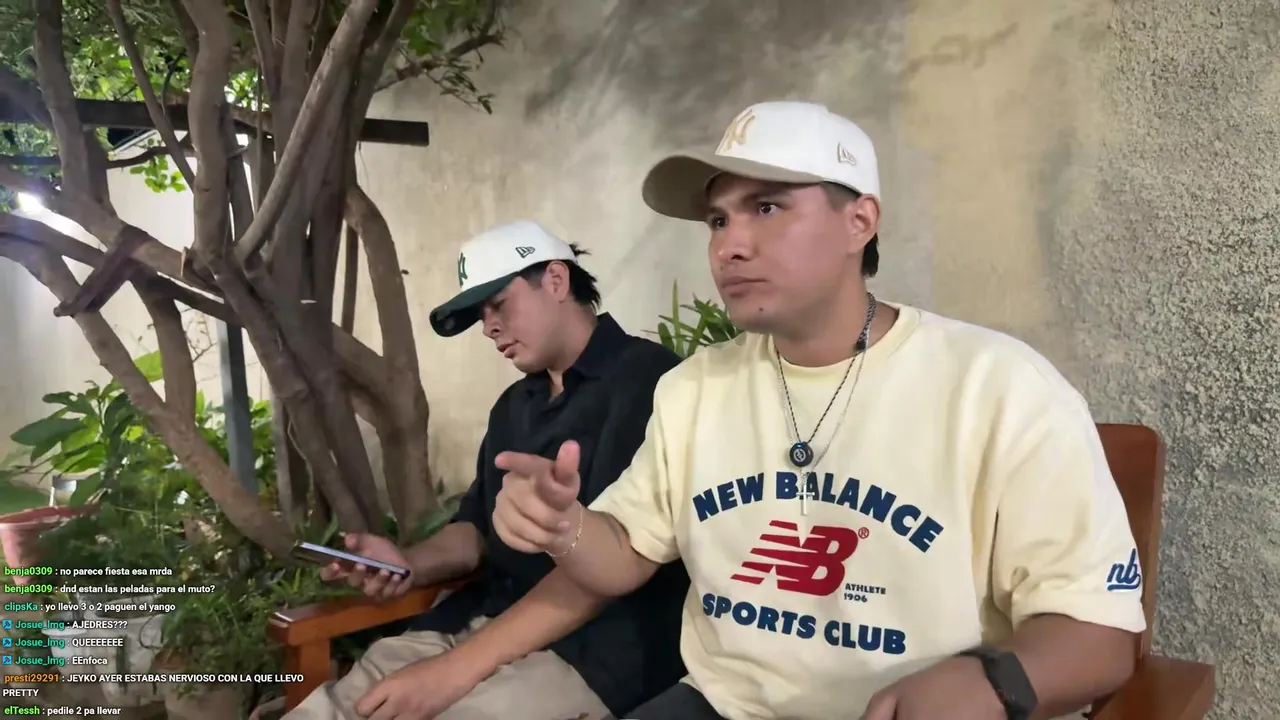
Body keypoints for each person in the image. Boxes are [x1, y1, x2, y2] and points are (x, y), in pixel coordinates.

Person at [490, 102, 1147, 720]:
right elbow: (625, 553)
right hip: (724, 705)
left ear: (859, 222)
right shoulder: (694, 388)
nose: (729, 246)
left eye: (766, 207)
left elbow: (1101, 634)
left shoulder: (999, 388)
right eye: (718, 220)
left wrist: (991, 683)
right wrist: (564, 527)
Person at [283, 220, 689, 720]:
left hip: (588, 650)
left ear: (556, 280)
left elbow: (612, 566)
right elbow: (474, 529)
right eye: (481, 314)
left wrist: (452, 672)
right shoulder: (514, 406)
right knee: (336, 708)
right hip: (472, 622)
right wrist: (407, 563)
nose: (488, 327)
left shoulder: (651, 382)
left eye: (499, 304)